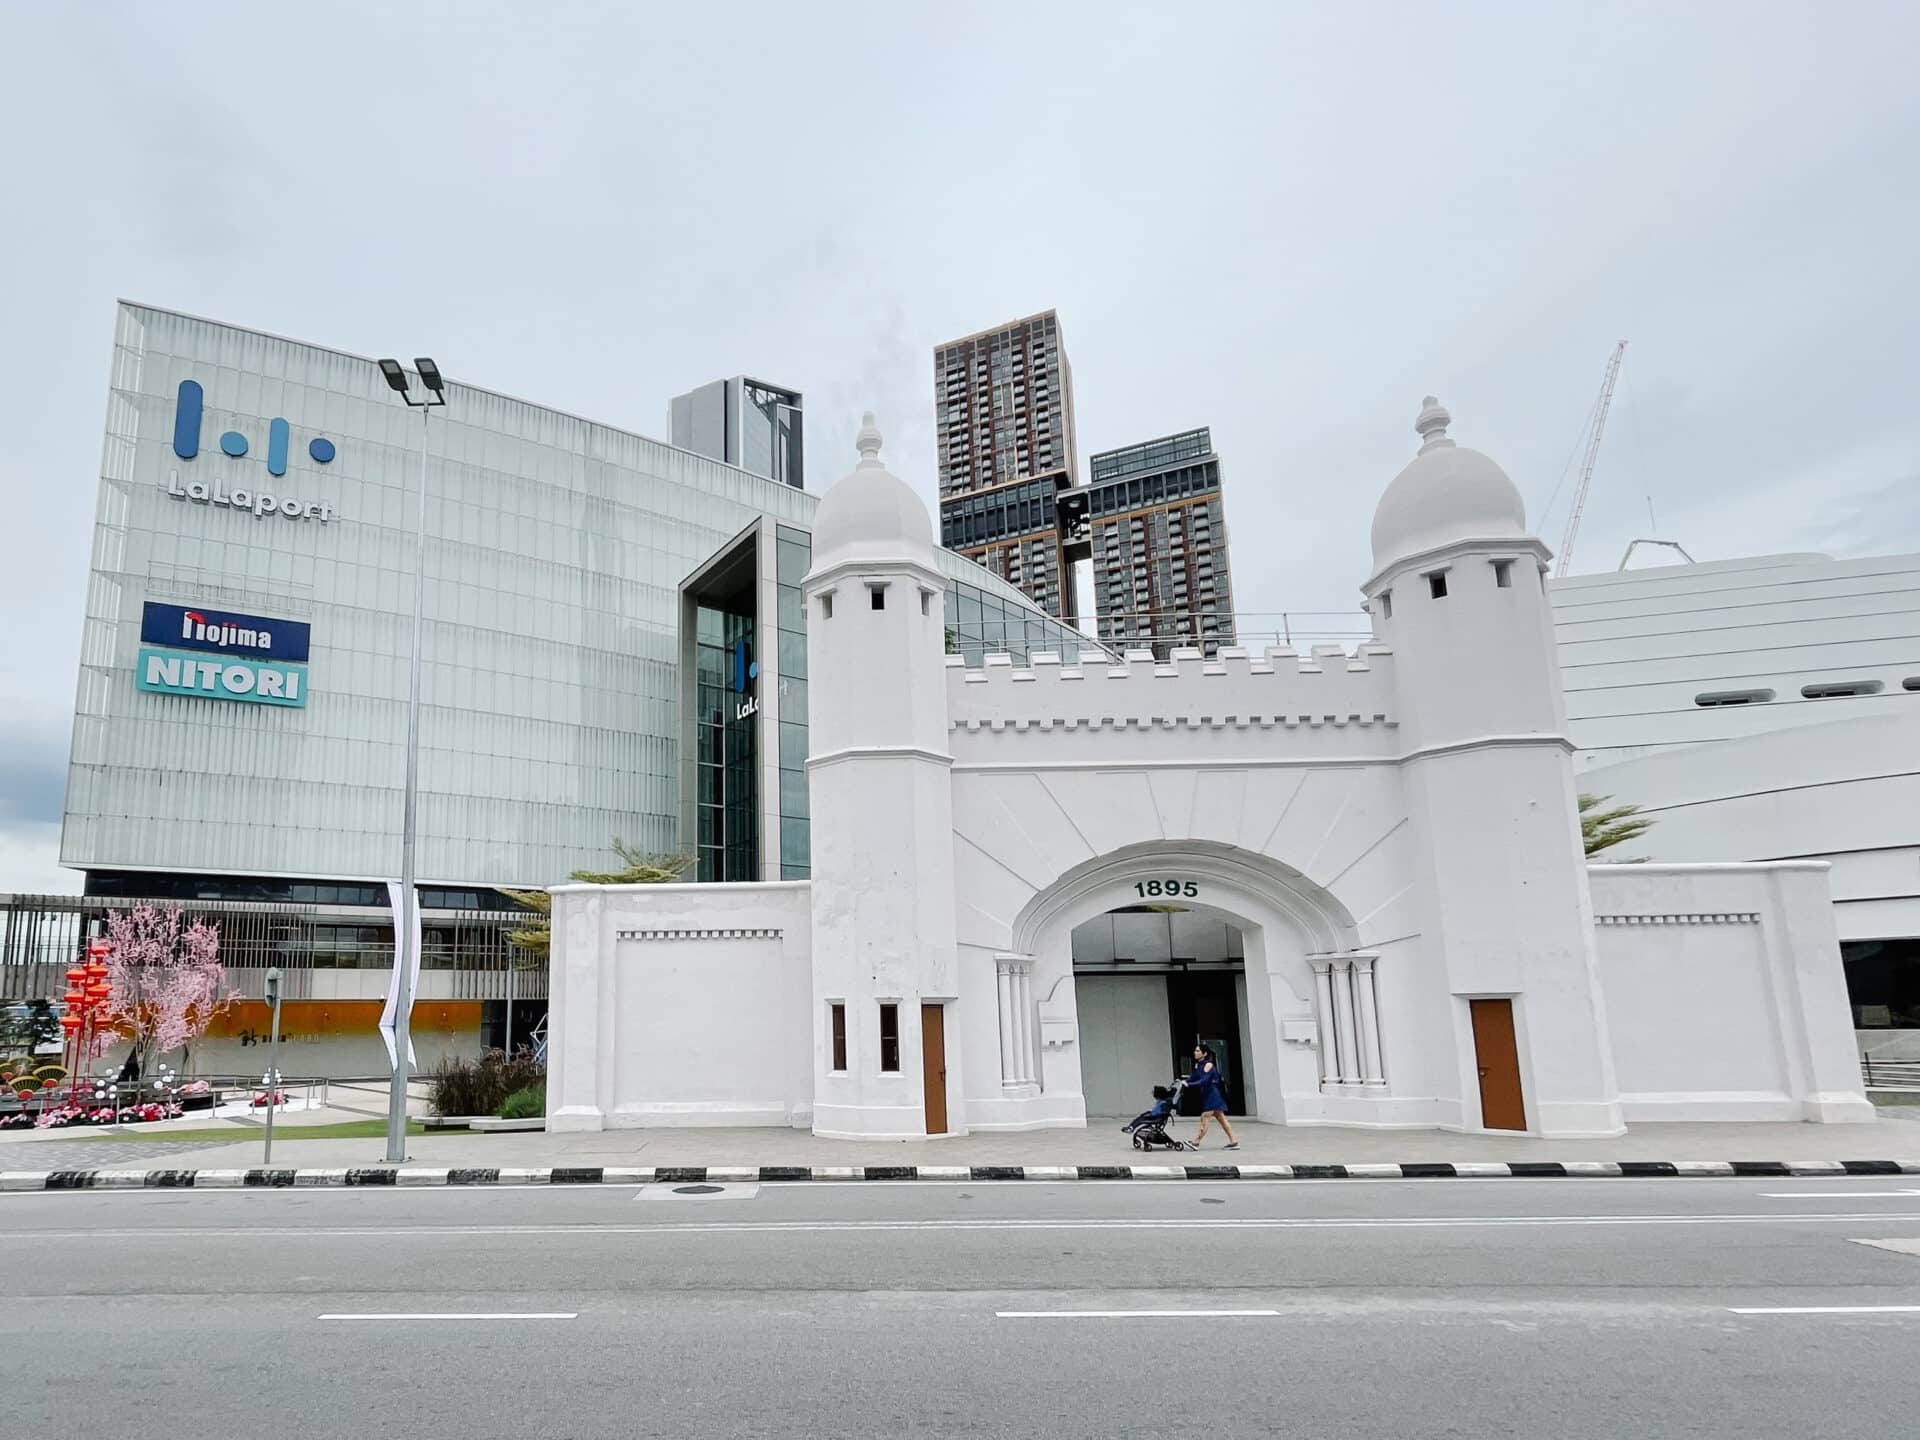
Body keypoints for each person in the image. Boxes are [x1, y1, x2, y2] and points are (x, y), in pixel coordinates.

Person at [1185, 1044, 1237, 1149]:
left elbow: (1203, 1081)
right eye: (1195, 1050)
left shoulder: (1208, 1065)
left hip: (1212, 1095)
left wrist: (1189, 1085)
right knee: (1221, 1118)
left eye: (1198, 1051)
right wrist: (1184, 1081)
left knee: (1205, 1116)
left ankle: (1196, 1141)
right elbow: (1193, 1077)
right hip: (1207, 1094)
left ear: (1204, 1054)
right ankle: (1233, 1141)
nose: (1195, 1052)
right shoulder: (1197, 1065)